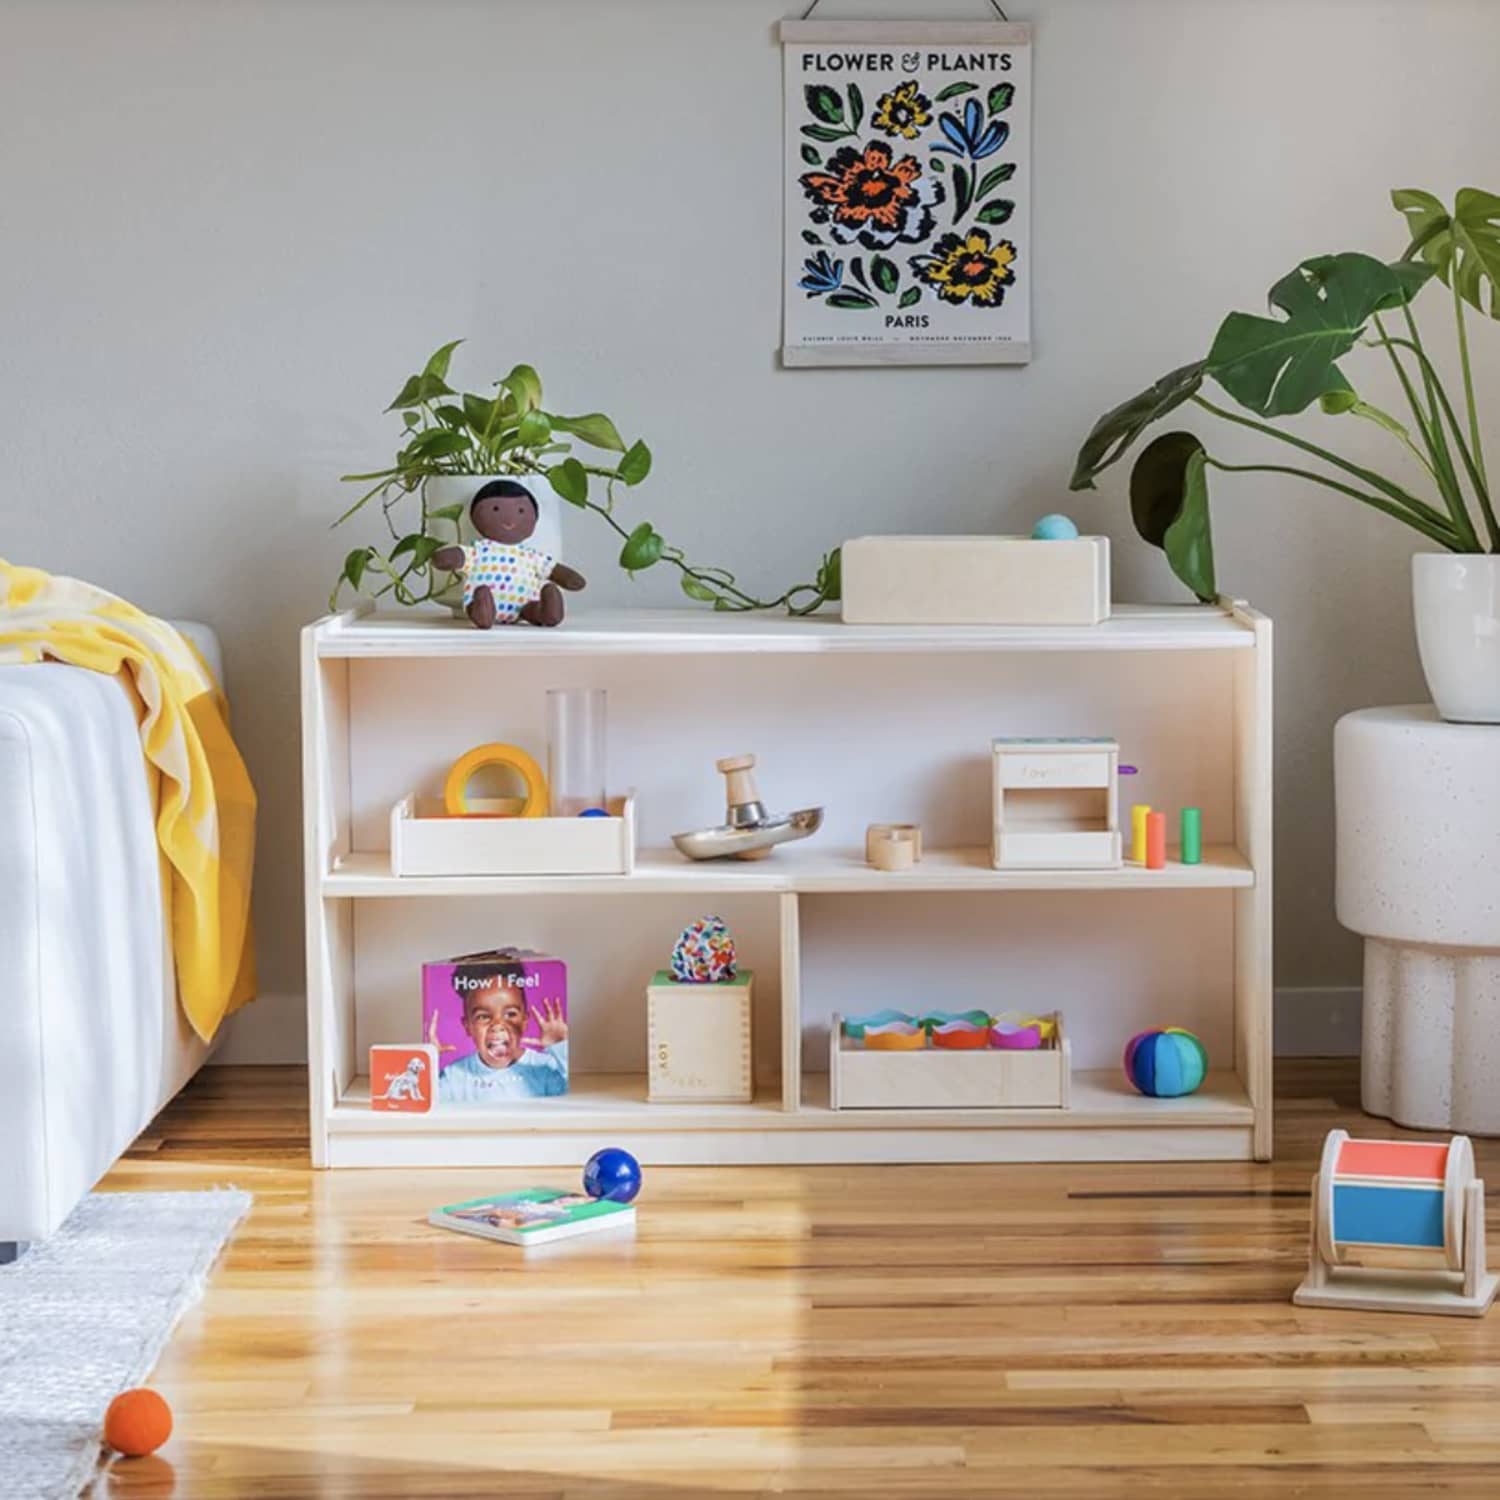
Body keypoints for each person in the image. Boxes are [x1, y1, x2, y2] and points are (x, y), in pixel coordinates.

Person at [431, 962, 568, 1103]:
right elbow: (424, 1104)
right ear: (468, 1026)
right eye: (483, 1016)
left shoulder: (545, 1067)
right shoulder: (453, 1077)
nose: (497, 1025)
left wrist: (560, 1048)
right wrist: (425, 1062)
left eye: (510, 1014)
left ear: (524, 1021)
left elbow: (569, 1103)